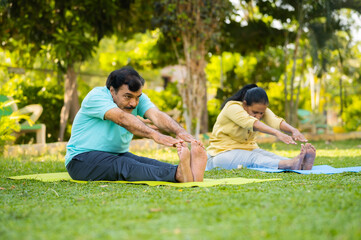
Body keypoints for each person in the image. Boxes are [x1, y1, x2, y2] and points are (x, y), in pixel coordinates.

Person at [65, 67, 207, 183]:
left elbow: (156, 115)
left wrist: (179, 130)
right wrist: (154, 135)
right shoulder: (97, 96)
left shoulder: (137, 97)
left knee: (143, 161)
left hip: (116, 154)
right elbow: (121, 118)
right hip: (81, 160)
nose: (133, 103)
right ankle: (178, 175)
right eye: (128, 97)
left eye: (137, 97)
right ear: (112, 91)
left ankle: (186, 171)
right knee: (124, 166)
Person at [206, 84, 316, 171]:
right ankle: (290, 164)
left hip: (249, 149)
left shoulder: (260, 109)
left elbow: (275, 120)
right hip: (219, 155)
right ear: (245, 104)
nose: (258, 116)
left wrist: (293, 130)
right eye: (255, 112)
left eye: (261, 113)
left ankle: (300, 164)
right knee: (253, 158)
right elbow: (251, 123)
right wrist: (277, 133)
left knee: (268, 155)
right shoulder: (232, 107)